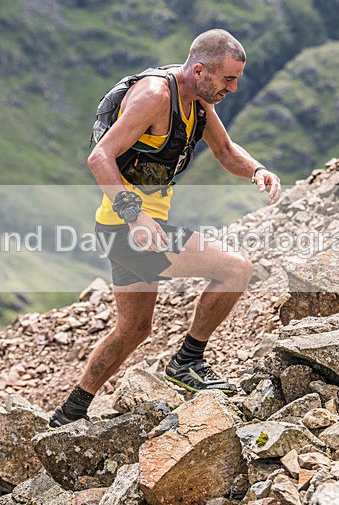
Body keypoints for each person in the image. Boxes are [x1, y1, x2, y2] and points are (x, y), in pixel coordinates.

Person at [50, 29, 281, 427]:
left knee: (134, 330)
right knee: (235, 268)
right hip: (130, 228)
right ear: (199, 70)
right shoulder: (156, 96)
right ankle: (188, 361)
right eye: (228, 79)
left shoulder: (198, 103)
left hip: (125, 229)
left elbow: (226, 152)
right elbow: (100, 156)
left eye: (236, 79)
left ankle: (69, 412)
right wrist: (135, 215)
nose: (234, 87)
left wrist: (257, 170)